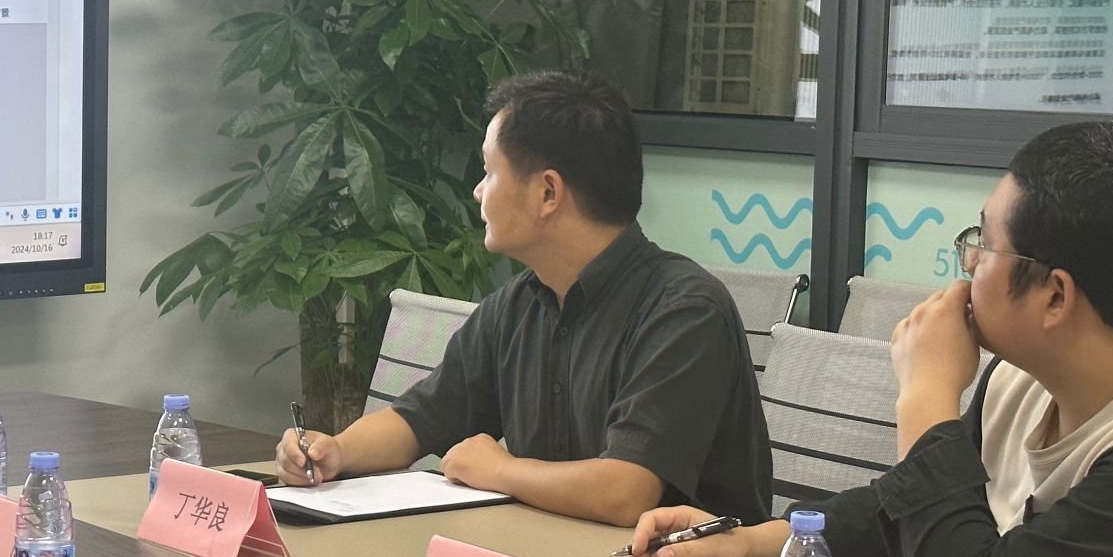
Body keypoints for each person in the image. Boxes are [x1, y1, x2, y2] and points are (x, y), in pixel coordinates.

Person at [630, 120, 1113, 557]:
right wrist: (752, 545)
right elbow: (907, 513)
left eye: (987, 245)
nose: (969, 262)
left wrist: (926, 393)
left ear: (1055, 296)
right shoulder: (1021, 378)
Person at [276, 70, 772, 526]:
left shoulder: (683, 312)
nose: (477, 192)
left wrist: (499, 470)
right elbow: (421, 419)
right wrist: (334, 452)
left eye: (489, 172)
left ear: (548, 193)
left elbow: (626, 492)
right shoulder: (517, 304)